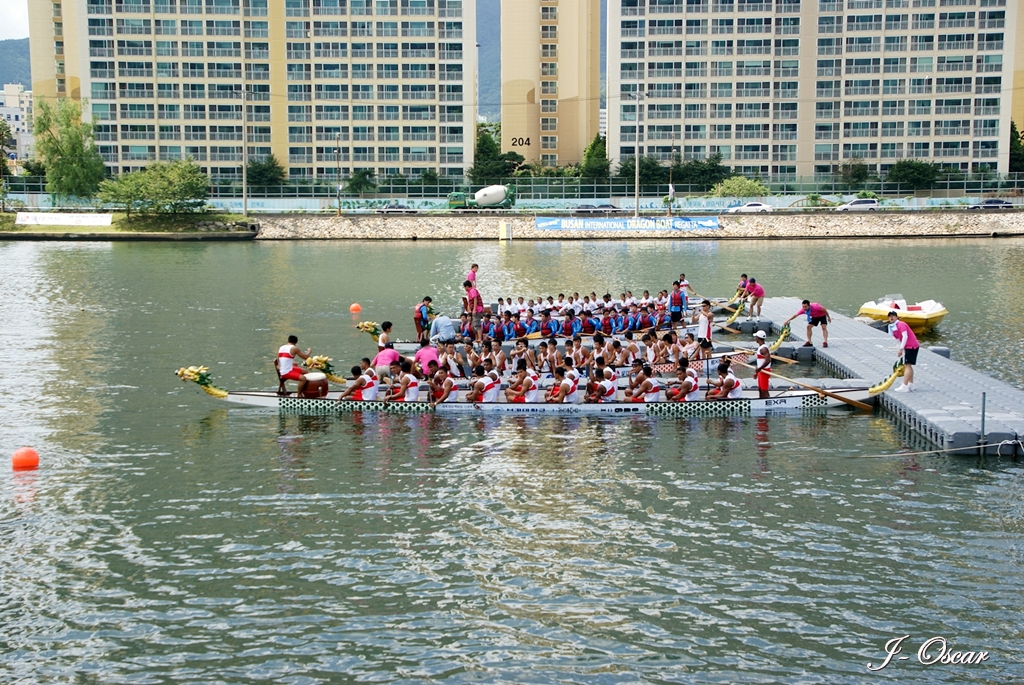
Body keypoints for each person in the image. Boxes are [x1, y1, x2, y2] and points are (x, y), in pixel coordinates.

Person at [888, 310, 920, 392]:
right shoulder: (893, 328)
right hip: (907, 346)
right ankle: (911, 384)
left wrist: (901, 349)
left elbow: (905, 337)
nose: (891, 318)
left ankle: (904, 386)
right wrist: (901, 349)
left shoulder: (901, 324)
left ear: (896, 317)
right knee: (908, 365)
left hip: (911, 345)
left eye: (893, 316)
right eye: (890, 316)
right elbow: (899, 339)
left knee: (907, 365)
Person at [752, 329, 771, 399]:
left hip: (764, 371)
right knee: (760, 389)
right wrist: (757, 372)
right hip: (761, 371)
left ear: (758, 338)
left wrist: (759, 369)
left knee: (764, 390)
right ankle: (761, 400)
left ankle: (766, 402)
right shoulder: (761, 348)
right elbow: (760, 362)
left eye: (756, 337)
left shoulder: (764, 349)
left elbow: (768, 360)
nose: (755, 338)